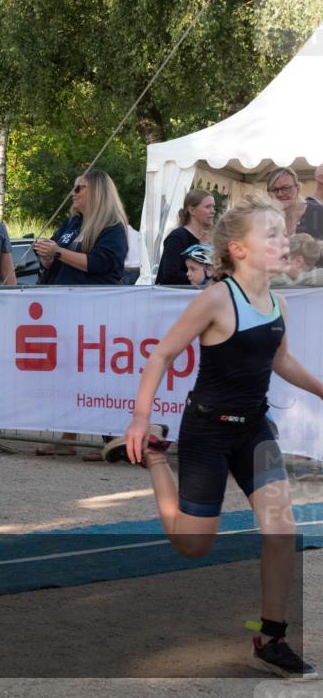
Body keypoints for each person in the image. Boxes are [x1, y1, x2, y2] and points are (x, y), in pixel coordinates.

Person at [104, 195, 322, 678]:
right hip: (207, 432)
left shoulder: (278, 301)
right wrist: (140, 420)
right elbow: (160, 356)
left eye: (282, 234)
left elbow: (280, 361)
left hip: (255, 431)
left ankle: (271, 638)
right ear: (239, 249)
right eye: (272, 235)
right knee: (192, 546)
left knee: (283, 530)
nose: (283, 240)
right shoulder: (216, 299)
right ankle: (157, 461)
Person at [34, 169, 129, 458]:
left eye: (79, 188)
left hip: (96, 313)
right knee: (67, 374)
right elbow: (54, 260)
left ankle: (111, 440)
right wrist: (48, 257)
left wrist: (59, 253)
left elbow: (101, 263)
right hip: (64, 311)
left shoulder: (112, 227)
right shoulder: (71, 223)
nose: (73, 193)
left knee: (97, 375)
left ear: (97, 192)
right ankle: (67, 437)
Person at [155, 189, 216, 285]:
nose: (213, 211)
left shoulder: (209, 239)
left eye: (213, 206)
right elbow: (170, 275)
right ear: (192, 210)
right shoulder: (177, 238)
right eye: (208, 207)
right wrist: (203, 280)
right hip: (176, 298)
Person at [266, 166, 323, 242]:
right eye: (274, 190)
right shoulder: (267, 220)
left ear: (298, 189)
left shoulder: (318, 212)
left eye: (285, 188)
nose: (280, 194)